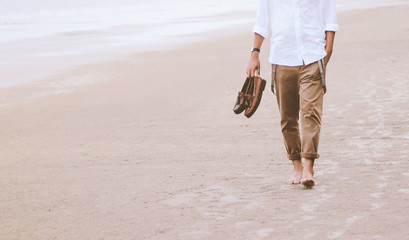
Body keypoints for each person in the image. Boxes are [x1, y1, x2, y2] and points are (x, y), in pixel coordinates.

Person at [246, 0, 339, 186]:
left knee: (310, 113)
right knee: (288, 118)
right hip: (282, 58)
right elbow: (262, 23)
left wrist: (327, 50)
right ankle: (296, 166)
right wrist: (254, 54)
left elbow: (329, 17)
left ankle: (308, 166)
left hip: (313, 56)